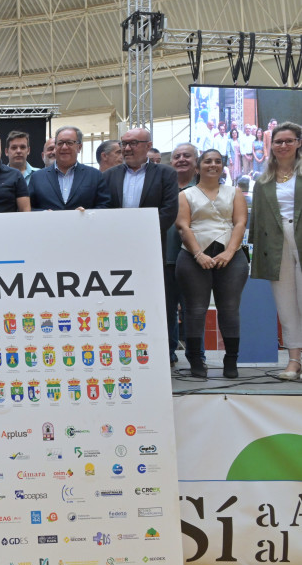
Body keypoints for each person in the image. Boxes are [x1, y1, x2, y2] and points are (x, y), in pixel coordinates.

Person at [175, 149, 248, 379]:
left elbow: (240, 223)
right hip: (193, 256)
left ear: (222, 167)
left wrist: (230, 252)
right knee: (196, 310)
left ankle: (231, 360)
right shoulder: (186, 195)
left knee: (229, 310)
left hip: (231, 256)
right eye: (207, 161)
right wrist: (198, 254)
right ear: (198, 167)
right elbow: (183, 226)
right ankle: (196, 360)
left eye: (217, 161)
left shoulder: (234, 192)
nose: (213, 165)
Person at [249, 122, 302, 381]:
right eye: (279, 141)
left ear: (298, 143)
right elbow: (257, 221)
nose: (283, 145)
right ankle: (294, 361)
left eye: (289, 140)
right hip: (276, 245)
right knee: (286, 304)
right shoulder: (263, 181)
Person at [103, 127, 179, 249]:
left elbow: (169, 211)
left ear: (148, 146)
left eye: (133, 143)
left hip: (151, 243)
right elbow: (104, 207)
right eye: (124, 144)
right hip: (116, 241)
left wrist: (142, 233)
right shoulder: (109, 175)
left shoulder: (166, 174)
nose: (127, 148)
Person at [166, 143, 201, 368]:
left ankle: (197, 357)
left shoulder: (204, 189)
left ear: (196, 161)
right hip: (167, 257)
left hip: (196, 258)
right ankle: (168, 354)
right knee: (168, 310)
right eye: (177, 156)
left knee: (194, 309)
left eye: (187, 156)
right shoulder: (164, 188)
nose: (181, 159)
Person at [29, 126, 110, 211]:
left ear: (79, 147)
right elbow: (28, 208)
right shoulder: (37, 177)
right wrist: (43, 213)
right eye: (60, 143)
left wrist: (86, 214)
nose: (64, 147)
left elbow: (105, 205)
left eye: (69, 143)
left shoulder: (94, 175)